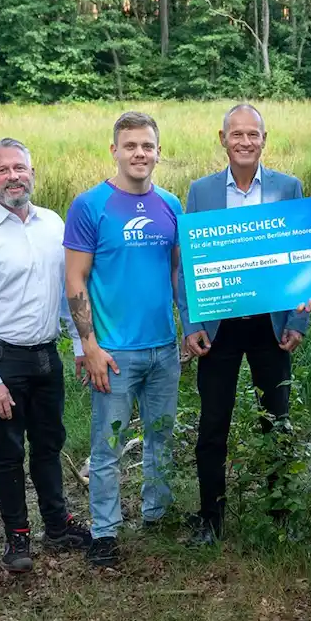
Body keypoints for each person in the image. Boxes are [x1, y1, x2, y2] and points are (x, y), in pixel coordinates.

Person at [0, 138, 92, 574]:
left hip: (46, 356)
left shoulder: (53, 224)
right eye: (4, 170)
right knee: (9, 449)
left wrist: (83, 344)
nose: (14, 176)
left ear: (33, 172)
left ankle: (57, 523)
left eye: (21, 168)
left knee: (50, 443)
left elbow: (69, 292)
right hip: (2, 359)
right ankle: (17, 535)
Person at [179, 103, 311, 545]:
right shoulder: (200, 192)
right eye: (236, 134)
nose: (245, 142)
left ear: (264, 139)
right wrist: (191, 322)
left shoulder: (288, 187)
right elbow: (188, 266)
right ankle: (210, 518)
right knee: (213, 423)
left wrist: (298, 320)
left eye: (253, 134)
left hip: (271, 328)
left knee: (277, 419)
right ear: (223, 140)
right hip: (219, 327)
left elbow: (302, 257)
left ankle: (282, 513)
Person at [64, 112, 185, 568]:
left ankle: (157, 515)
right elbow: (75, 279)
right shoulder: (90, 206)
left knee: (161, 438)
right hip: (113, 352)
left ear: (158, 151)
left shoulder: (172, 205)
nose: (140, 154)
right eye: (130, 145)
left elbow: (178, 275)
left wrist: (189, 329)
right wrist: (89, 345)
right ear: (114, 149)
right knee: (107, 446)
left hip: (164, 348)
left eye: (148, 146)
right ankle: (105, 532)